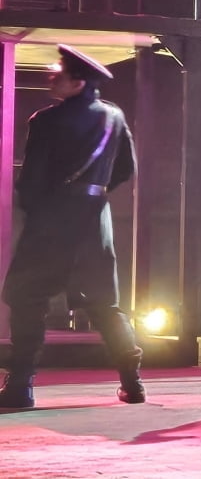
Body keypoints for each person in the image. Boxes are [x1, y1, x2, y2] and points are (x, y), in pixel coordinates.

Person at [0, 45, 142, 408]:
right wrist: (93, 193)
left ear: (78, 82)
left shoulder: (46, 121)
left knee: (26, 297)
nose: (51, 77)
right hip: (96, 222)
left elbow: (31, 181)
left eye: (59, 73)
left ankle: (20, 385)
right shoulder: (114, 117)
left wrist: (37, 211)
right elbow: (126, 169)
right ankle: (132, 382)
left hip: (52, 222)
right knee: (105, 304)